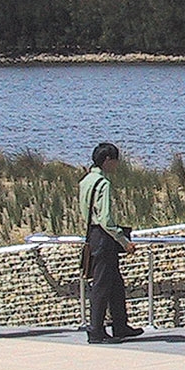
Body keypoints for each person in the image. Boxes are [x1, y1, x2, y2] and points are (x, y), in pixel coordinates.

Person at [79, 142, 144, 344]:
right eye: (115, 161)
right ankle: (96, 330)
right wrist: (124, 241)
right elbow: (106, 219)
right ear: (107, 160)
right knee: (101, 285)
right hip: (104, 236)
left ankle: (120, 325)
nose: (117, 165)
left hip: (91, 233)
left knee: (115, 283)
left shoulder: (86, 180)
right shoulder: (104, 184)